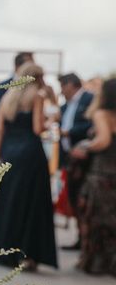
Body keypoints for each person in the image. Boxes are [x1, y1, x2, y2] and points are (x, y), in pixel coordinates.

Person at [0, 63, 57, 271]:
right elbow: (38, 128)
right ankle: (29, 254)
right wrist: (51, 120)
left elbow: (0, 130)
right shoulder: (36, 97)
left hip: (10, 153)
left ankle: (4, 251)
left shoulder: (7, 97)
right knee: (32, 205)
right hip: (31, 154)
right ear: (37, 77)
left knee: (10, 201)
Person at [71, 78, 116, 276]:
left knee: (96, 220)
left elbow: (103, 140)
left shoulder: (102, 114)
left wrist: (84, 146)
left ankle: (97, 263)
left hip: (101, 174)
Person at [58, 72, 94, 250]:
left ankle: (85, 240)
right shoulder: (66, 106)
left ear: (71, 85)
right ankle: (81, 237)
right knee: (73, 197)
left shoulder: (89, 99)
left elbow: (92, 125)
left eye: (63, 86)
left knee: (81, 198)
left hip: (83, 159)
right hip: (69, 157)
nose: (62, 91)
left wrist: (69, 132)